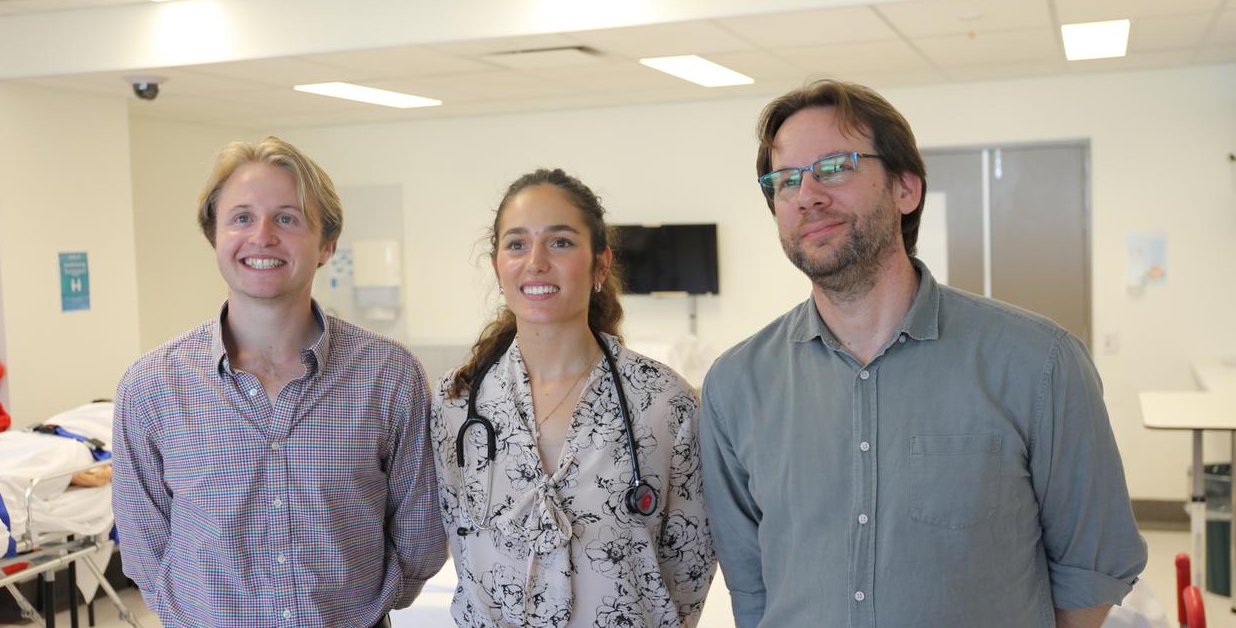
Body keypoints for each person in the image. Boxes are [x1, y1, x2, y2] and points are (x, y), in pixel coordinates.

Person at [700, 80, 1147, 628]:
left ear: (906, 189)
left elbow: (1091, 568)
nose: (807, 194)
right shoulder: (736, 386)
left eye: (835, 166)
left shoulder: (1039, 364)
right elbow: (751, 586)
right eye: (785, 179)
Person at [112, 137, 445, 628]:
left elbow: (420, 538)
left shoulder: (388, 376)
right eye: (241, 217)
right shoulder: (151, 388)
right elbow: (143, 549)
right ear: (215, 236)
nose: (262, 236)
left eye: (287, 218)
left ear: (327, 244)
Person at [430, 168, 715, 627]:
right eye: (517, 244)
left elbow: (688, 567)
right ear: (497, 266)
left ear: (600, 265)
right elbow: (463, 551)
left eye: (560, 242)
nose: (536, 261)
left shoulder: (663, 403)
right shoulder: (458, 403)